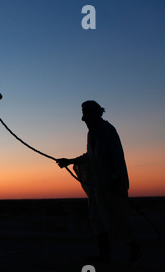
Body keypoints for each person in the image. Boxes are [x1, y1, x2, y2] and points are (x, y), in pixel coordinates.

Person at [56, 100, 142, 263]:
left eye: (86, 113)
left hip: (110, 184)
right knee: (97, 218)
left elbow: (117, 157)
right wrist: (70, 161)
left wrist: (115, 178)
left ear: (95, 114)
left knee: (116, 218)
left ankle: (133, 248)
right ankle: (105, 254)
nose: (84, 118)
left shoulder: (108, 131)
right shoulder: (93, 133)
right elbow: (91, 156)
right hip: (98, 185)